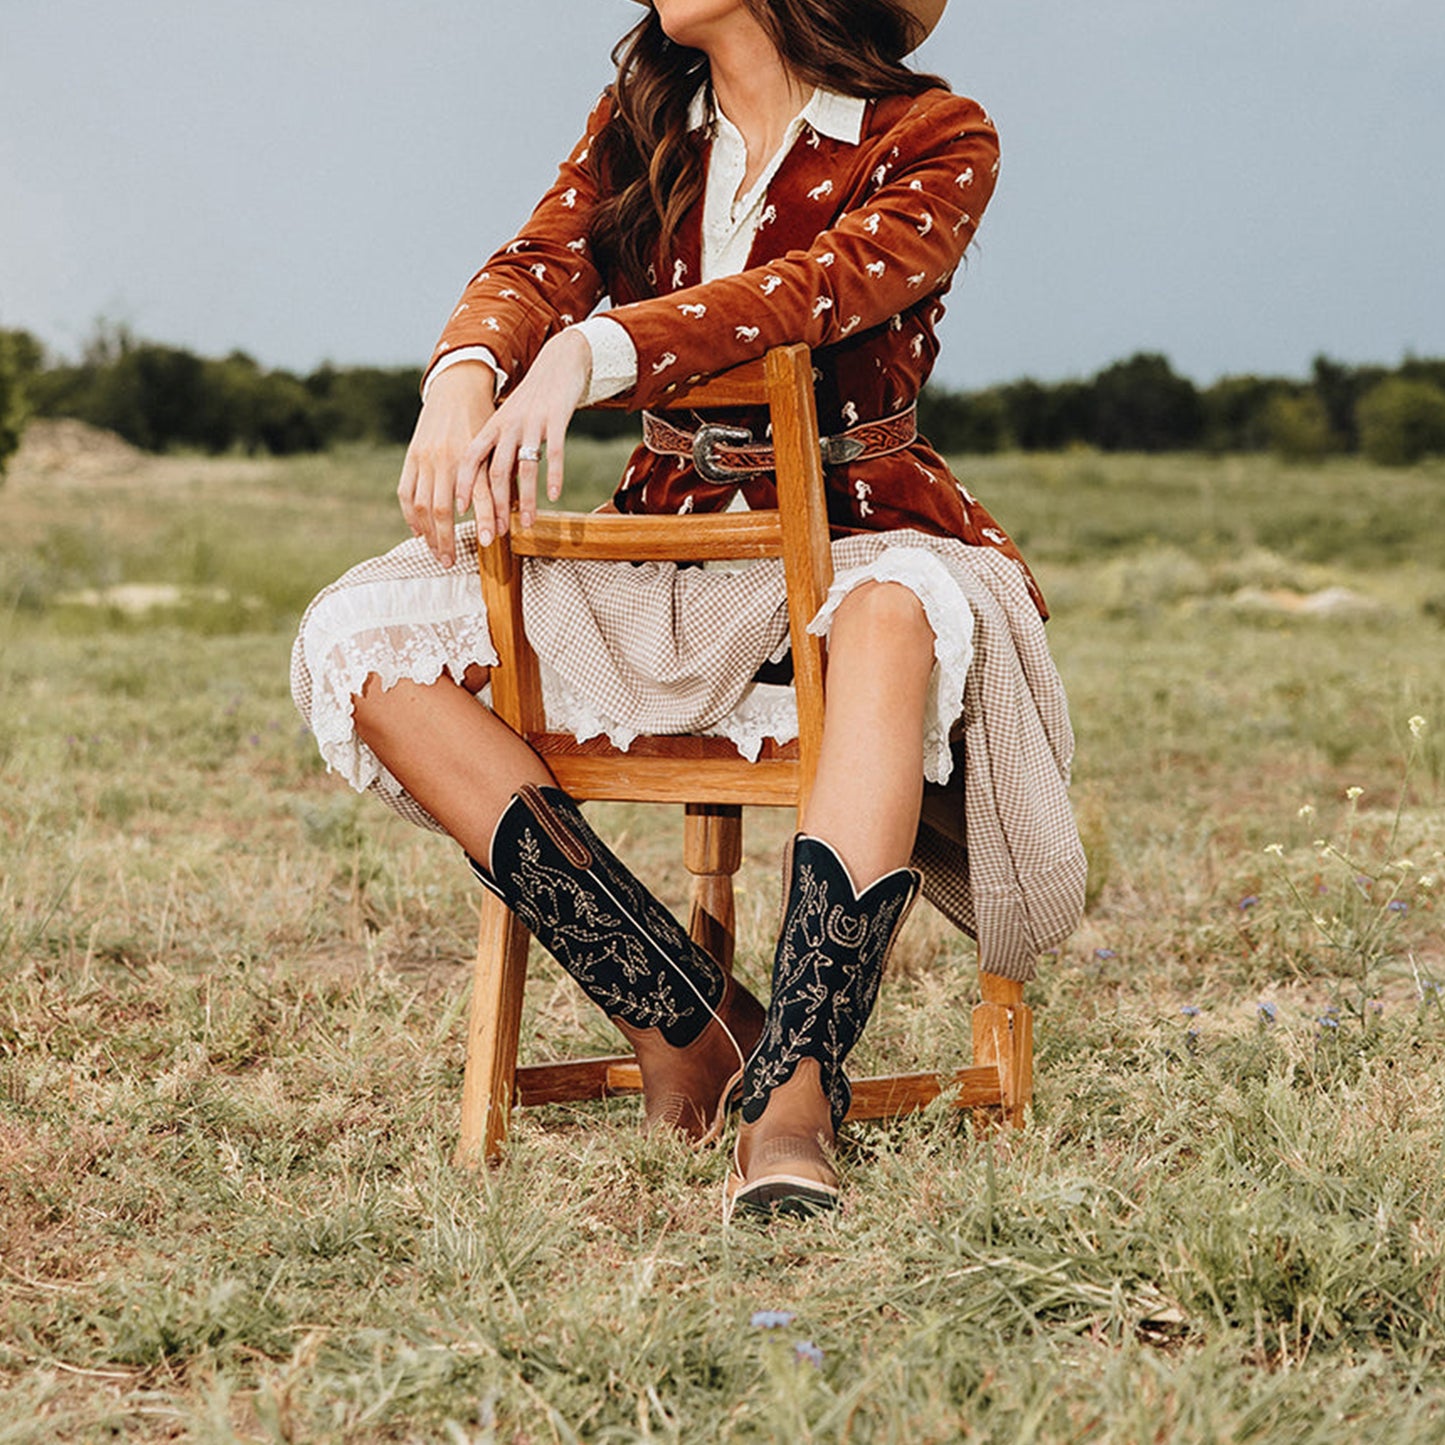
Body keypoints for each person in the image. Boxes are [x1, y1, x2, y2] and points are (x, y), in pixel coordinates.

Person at [292, 0, 1085, 1217]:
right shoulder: (643, 119)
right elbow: (534, 266)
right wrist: (464, 374)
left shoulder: (934, 135)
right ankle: (687, 1020)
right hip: (664, 543)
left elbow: (807, 295)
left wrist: (589, 352)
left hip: (864, 528)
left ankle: (793, 1094)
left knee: (894, 613)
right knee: (359, 641)